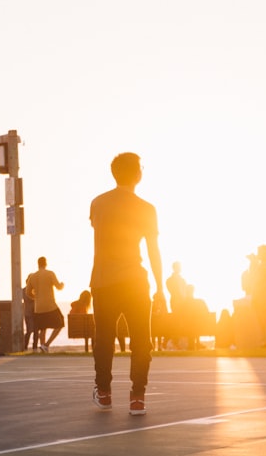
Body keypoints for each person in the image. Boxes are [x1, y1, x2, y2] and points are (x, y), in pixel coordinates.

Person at [89, 152, 164, 416]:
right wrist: (161, 287)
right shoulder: (146, 208)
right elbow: (154, 251)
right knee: (142, 340)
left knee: (104, 340)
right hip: (134, 281)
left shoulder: (97, 204)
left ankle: (105, 392)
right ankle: (138, 397)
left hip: (103, 280)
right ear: (138, 174)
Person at [26, 256, 65, 352]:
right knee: (60, 323)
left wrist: (35, 297)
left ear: (38, 264)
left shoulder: (32, 276)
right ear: (46, 263)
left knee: (43, 327)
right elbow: (58, 287)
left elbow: (27, 292)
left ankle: (43, 347)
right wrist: (62, 284)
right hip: (50, 305)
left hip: (38, 307)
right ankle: (47, 344)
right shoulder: (50, 274)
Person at [22, 284, 38, 351]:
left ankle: (35, 347)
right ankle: (25, 347)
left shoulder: (35, 289)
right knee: (29, 331)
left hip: (36, 313)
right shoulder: (24, 290)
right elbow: (27, 298)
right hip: (28, 313)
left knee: (36, 331)